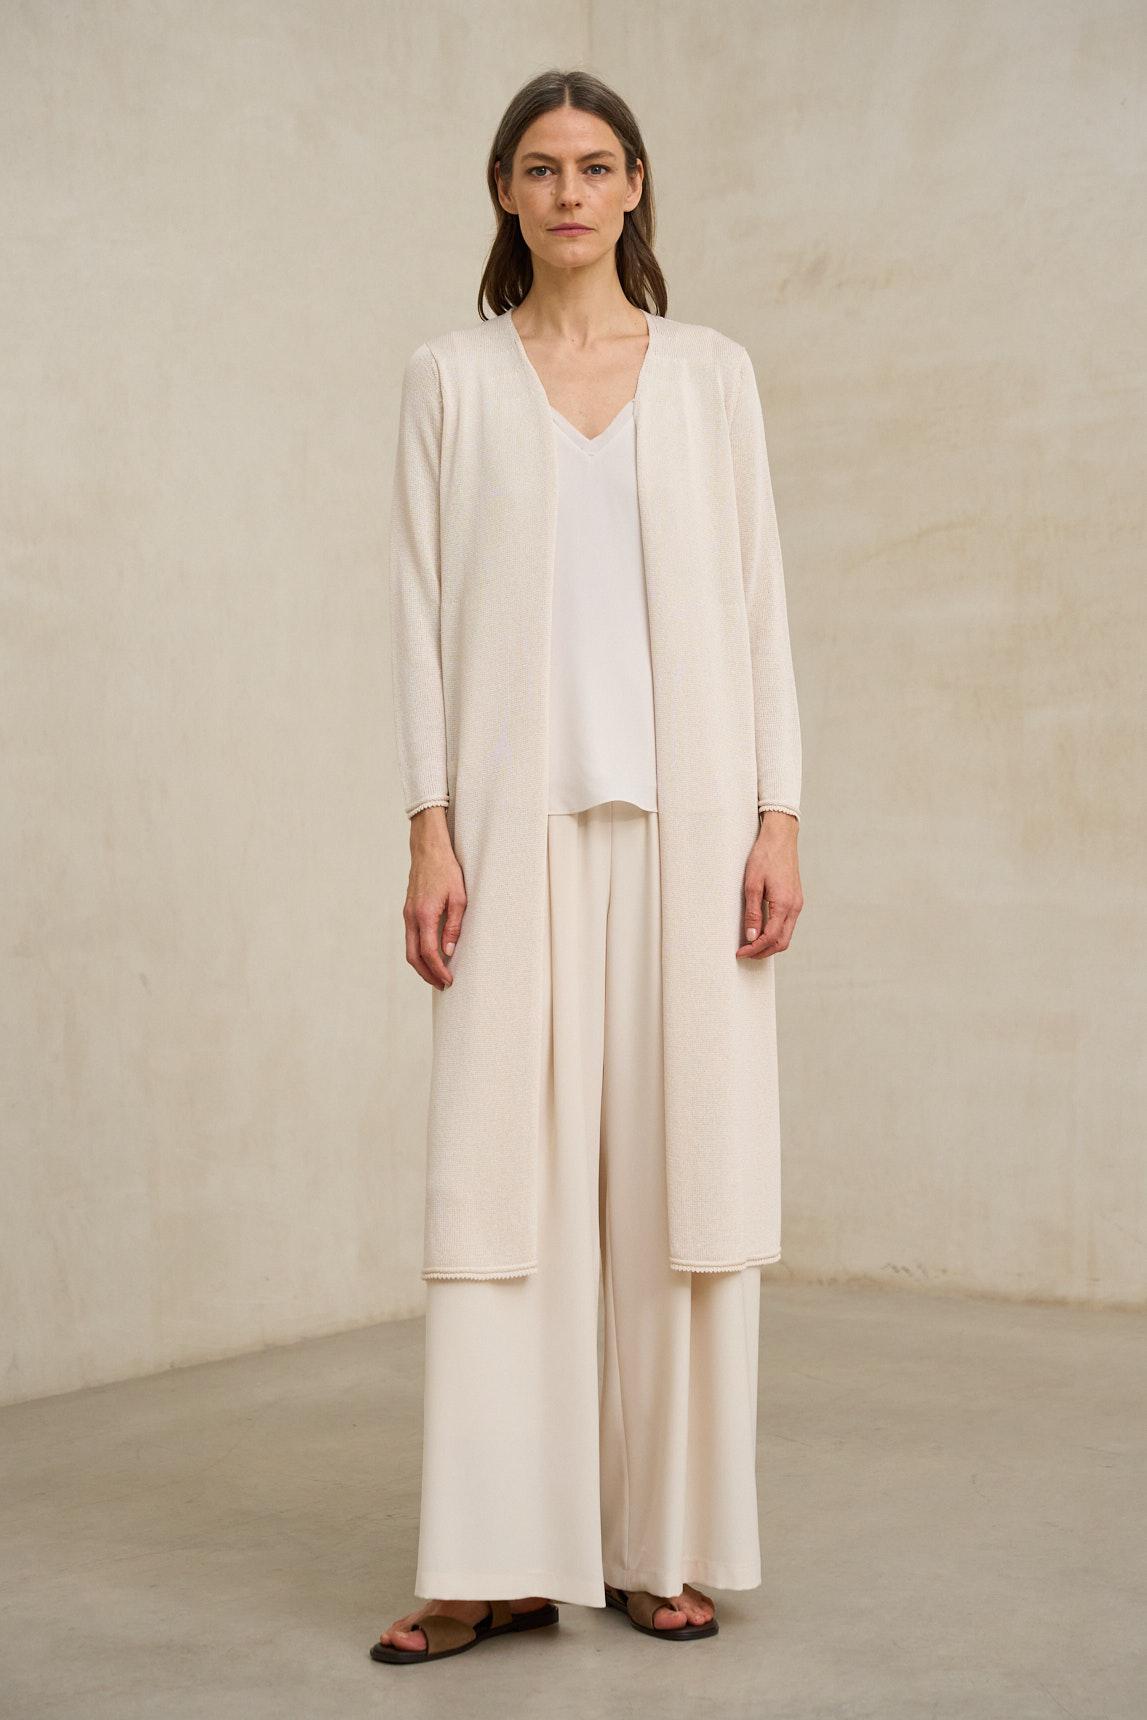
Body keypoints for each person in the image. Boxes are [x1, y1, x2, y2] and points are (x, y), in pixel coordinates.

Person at [373, 66, 803, 1666]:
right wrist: (428, 823)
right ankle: (490, 1563)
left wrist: (778, 814)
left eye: (598, 165)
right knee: (505, 1192)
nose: (571, 192)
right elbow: (417, 615)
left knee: (680, 1184)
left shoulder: (710, 376)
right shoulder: (450, 379)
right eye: (543, 167)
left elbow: (759, 601)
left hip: (691, 837)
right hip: (511, 837)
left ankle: (658, 1544)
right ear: (505, 189)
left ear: (634, 189)